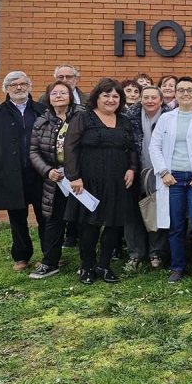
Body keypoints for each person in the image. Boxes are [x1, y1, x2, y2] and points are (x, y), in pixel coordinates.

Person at [64, 78, 140, 285]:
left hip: (118, 181)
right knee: (90, 225)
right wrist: (74, 176)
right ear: (97, 97)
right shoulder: (83, 117)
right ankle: (87, 266)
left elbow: (132, 147)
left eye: (115, 96)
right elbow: (70, 147)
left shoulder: (124, 120)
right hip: (89, 181)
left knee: (115, 224)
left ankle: (104, 265)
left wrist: (132, 168)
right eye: (106, 95)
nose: (111, 100)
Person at [149, 76, 192, 290]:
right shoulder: (166, 118)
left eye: (190, 90)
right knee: (176, 227)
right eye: (181, 90)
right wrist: (163, 172)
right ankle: (177, 267)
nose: (186, 93)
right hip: (172, 179)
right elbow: (154, 147)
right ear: (176, 94)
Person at [0, 71, 48, 272]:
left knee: (45, 216)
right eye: (13, 85)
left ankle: (50, 255)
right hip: (11, 174)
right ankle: (21, 256)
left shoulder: (42, 110)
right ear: (6, 89)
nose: (19, 88)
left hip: (39, 173)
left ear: (29, 86)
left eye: (22, 84)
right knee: (17, 218)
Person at [28, 81, 83, 278]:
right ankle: (50, 262)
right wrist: (47, 171)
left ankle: (87, 262)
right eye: (54, 93)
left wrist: (79, 172)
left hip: (80, 178)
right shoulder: (42, 121)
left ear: (71, 96)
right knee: (53, 220)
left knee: (83, 220)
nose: (58, 96)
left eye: (63, 92)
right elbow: (34, 151)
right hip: (55, 179)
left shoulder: (83, 117)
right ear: (48, 98)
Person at [123, 84, 171, 270]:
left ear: (161, 100)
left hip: (161, 172)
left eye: (154, 97)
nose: (150, 101)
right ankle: (135, 253)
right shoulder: (129, 117)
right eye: (146, 97)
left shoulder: (169, 117)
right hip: (134, 170)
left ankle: (156, 252)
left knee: (157, 210)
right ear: (141, 99)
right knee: (133, 212)